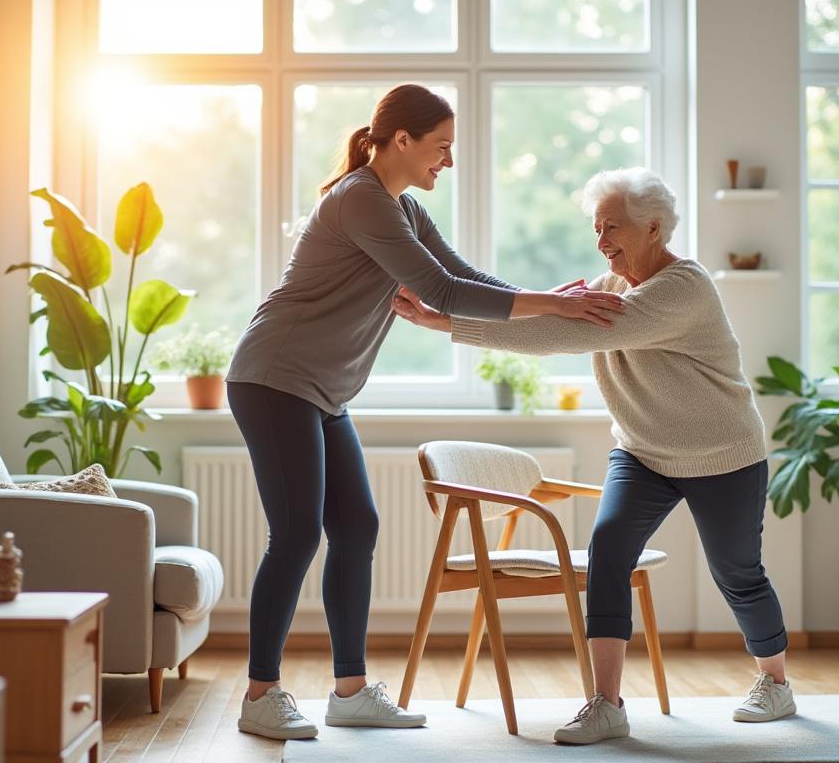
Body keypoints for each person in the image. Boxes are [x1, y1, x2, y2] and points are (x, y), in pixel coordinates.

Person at [224, 83, 625, 741]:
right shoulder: (359, 199)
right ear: (401, 141)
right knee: (297, 534)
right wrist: (550, 306)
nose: (449, 159)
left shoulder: (402, 208)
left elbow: (459, 270)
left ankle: (349, 690)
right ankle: (259, 694)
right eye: (441, 147)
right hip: (275, 379)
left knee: (355, 526)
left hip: (321, 391)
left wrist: (549, 297)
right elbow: (440, 290)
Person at [393, 166, 795, 746]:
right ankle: (606, 703)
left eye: (613, 227)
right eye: (596, 227)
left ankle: (774, 683)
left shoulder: (684, 289)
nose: (600, 240)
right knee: (608, 548)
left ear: (653, 228)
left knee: (737, 572)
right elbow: (546, 319)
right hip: (642, 452)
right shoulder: (608, 290)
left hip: (723, 453)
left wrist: (445, 322)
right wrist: (462, 314)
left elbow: (566, 335)